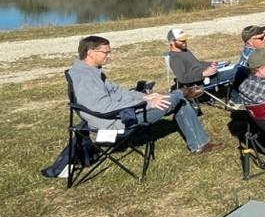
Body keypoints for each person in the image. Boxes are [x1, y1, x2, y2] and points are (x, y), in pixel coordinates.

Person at [67, 35, 222, 154]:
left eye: (109, 52)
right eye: (105, 52)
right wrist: (145, 104)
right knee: (178, 98)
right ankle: (182, 93)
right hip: (114, 122)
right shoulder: (85, 78)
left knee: (178, 100)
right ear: (90, 53)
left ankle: (199, 142)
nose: (108, 56)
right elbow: (104, 108)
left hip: (121, 113)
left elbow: (118, 93)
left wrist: (145, 97)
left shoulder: (92, 72)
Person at [166, 28, 236, 87]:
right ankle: (236, 99)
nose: (185, 42)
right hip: (201, 82)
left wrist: (214, 64)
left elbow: (197, 64)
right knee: (239, 72)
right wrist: (203, 74)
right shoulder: (175, 58)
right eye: (181, 40)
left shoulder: (184, 51)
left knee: (238, 67)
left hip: (209, 74)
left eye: (185, 39)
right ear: (172, 42)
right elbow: (183, 78)